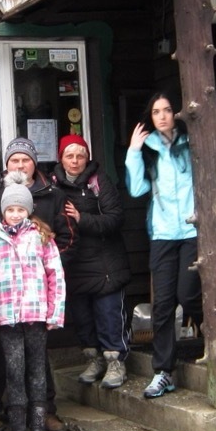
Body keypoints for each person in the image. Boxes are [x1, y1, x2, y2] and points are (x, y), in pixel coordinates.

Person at [0, 136, 74, 431]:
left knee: (38, 360)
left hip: (36, 296)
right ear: (6, 164)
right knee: (0, 358)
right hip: (0, 294)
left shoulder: (52, 194)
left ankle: (44, 413)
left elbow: (67, 237)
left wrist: (39, 272)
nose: (20, 165)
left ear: (34, 163)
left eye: (26, 160)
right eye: (14, 160)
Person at [0, 172, 66, 431]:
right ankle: (17, 430)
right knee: (14, 371)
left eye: (20, 209)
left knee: (37, 371)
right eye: (10, 209)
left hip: (36, 314)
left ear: (28, 210)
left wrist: (55, 313)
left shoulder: (41, 237)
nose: (15, 214)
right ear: (4, 211)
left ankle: (38, 428)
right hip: (8, 316)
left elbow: (56, 276)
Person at [125, 93, 202, 399]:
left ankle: (214, 334)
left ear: (176, 113)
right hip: (163, 234)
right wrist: (133, 151)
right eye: (156, 111)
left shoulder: (192, 144)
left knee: (188, 293)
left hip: (192, 230)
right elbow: (136, 189)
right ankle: (163, 372)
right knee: (163, 304)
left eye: (167, 110)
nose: (162, 116)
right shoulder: (149, 150)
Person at [49, 134, 131, 389]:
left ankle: (116, 362)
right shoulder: (53, 186)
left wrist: (81, 218)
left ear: (87, 158)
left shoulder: (99, 181)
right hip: (74, 264)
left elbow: (115, 218)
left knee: (109, 315)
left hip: (105, 263)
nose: (75, 161)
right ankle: (94, 360)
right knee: (83, 318)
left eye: (80, 156)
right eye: (69, 156)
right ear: (61, 159)